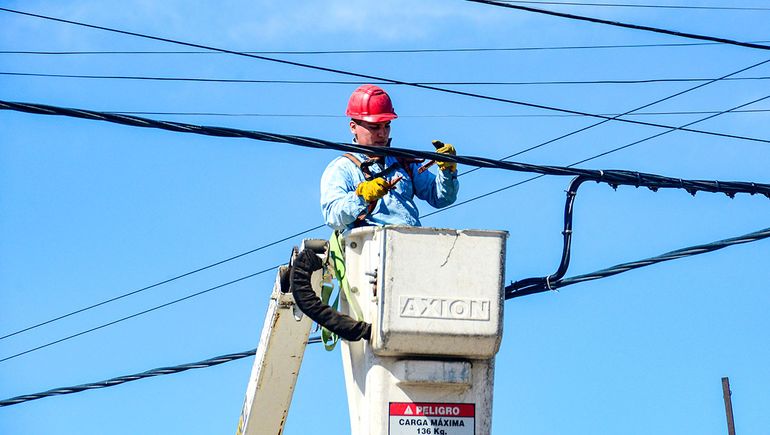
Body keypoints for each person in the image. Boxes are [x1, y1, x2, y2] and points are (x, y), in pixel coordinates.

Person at [320, 84, 459, 232]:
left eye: (387, 125)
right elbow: (332, 216)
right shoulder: (342, 168)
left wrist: (447, 170)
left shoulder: (402, 162)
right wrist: (361, 196)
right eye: (374, 127)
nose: (382, 133)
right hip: (368, 246)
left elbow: (441, 198)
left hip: (411, 243)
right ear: (353, 127)